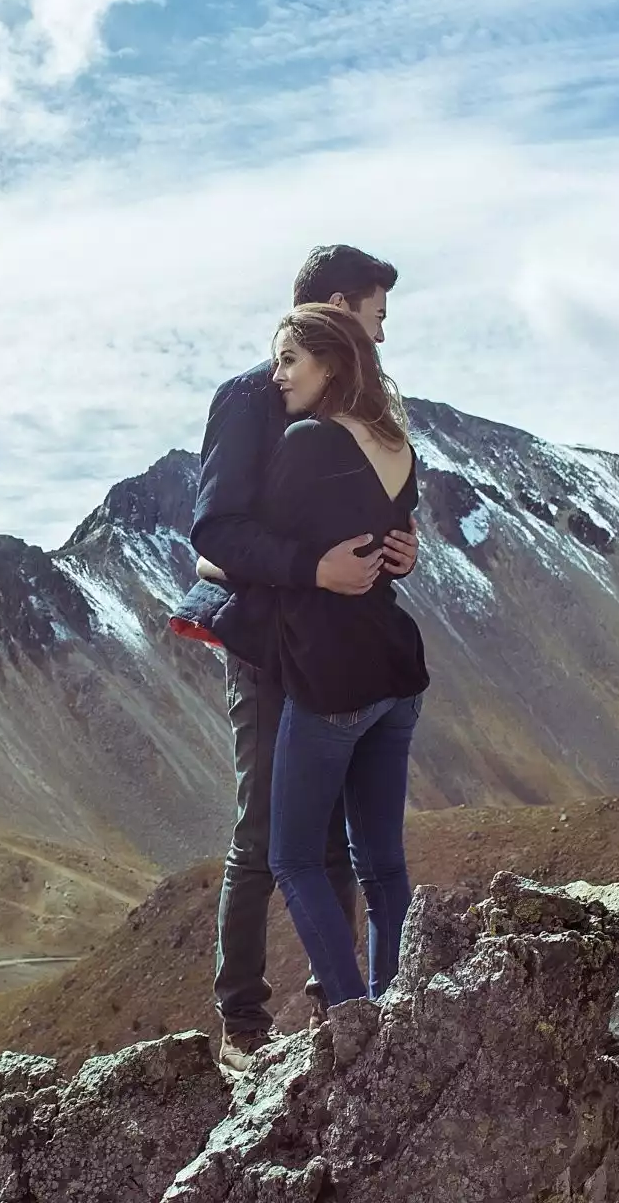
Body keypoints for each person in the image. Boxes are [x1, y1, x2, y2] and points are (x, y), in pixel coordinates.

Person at [170, 245, 417, 1071]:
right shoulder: (252, 399)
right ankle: (242, 1023)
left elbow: (360, 522)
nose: (381, 334)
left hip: (331, 646)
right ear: (339, 311)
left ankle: (332, 1008)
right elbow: (215, 534)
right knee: (264, 833)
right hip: (262, 642)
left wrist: (399, 549)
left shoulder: (361, 414)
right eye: (375, 316)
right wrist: (312, 568)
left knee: (334, 835)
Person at [260, 303, 427, 1007]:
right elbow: (394, 541)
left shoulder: (310, 443)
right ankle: (397, 1012)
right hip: (396, 673)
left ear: (329, 363)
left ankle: (354, 1014)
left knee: (293, 859)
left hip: (333, 677)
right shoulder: (398, 445)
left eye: (289, 360)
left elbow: (249, 546)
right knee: (383, 864)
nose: (277, 376)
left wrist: (210, 565)